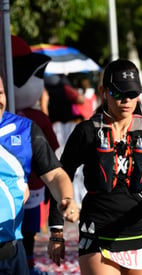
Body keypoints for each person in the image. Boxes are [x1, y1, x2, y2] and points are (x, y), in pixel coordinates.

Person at [47, 59, 142, 275]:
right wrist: (56, 231)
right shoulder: (87, 132)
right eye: (118, 93)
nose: (126, 100)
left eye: (132, 94)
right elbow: (61, 175)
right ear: (104, 91)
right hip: (98, 232)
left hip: (140, 232)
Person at [0, 74, 79, 275]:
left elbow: (55, 176)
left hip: (9, 252)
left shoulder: (24, 130)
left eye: (0, 93)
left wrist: (67, 199)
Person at [11, 34, 61, 275]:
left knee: (28, 230)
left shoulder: (36, 119)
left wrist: (55, 185)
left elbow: (52, 153)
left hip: (34, 184)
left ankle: (28, 264)